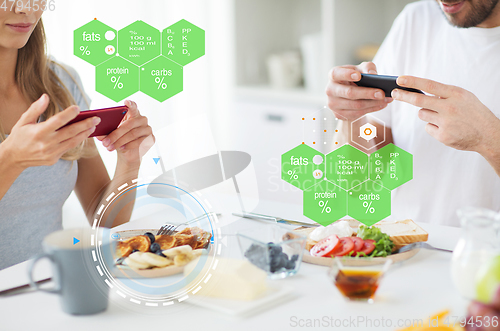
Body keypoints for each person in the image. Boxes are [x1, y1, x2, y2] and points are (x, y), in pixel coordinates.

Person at [0, 3, 154, 269]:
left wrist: (129, 162)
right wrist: (11, 160)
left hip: (50, 289)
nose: (26, 9)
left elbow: (107, 224)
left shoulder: (61, 84)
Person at [326, 0, 500, 227]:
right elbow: (358, 184)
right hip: (406, 249)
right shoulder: (416, 20)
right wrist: (352, 116)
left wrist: (488, 138)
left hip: (483, 256)